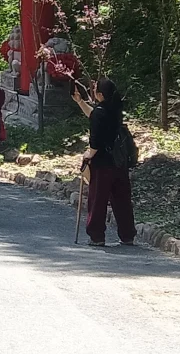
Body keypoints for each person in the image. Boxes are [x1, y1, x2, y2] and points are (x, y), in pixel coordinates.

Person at [73, 78, 133, 246]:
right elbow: (94, 114)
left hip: (103, 163)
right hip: (119, 161)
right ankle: (127, 234)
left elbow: (96, 141)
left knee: (98, 199)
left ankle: (97, 235)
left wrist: (88, 155)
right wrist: (80, 102)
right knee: (122, 199)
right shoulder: (115, 108)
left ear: (100, 94)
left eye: (95, 90)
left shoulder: (100, 112)